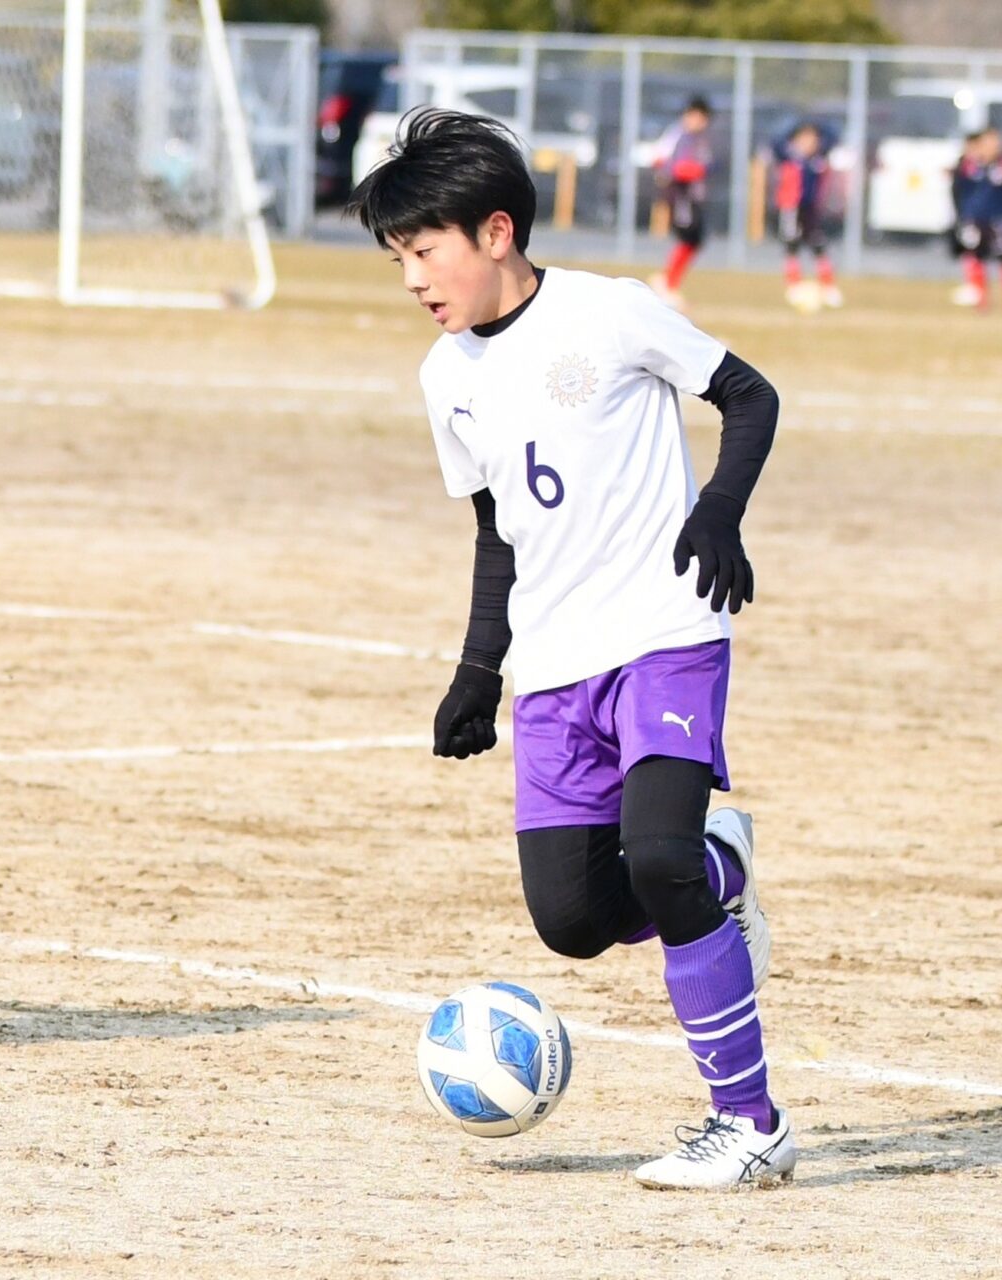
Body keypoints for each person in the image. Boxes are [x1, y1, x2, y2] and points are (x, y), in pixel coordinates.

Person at [351, 109, 789, 1190]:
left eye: (425, 250)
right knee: (574, 918)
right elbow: (497, 532)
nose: (413, 278)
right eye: (399, 258)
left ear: (497, 231)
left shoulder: (610, 312)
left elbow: (748, 394)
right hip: (552, 666)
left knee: (659, 860)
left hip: (665, 631)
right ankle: (724, 862)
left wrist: (719, 509)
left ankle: (749, 1123)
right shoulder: (445, 376)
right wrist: (476, 671)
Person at [649, 97, 712, 311]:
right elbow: (662, 162)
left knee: (695, 239)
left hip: (693, 196)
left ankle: (668, 281)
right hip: (681, 195)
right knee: (687, 237)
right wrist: (684, 171)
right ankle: (668, 283)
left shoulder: (699, 139)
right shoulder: (677, 136)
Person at [772, 121, 841, 311]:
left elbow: (834, 136)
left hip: (811, 210)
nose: (808, 142)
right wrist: (794, 126)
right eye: (803, 138)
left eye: (812, 139)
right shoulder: (789, 156)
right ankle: (793, 286)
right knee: (791, 245)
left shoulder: (818, 158)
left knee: (818, 245)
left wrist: (817, 126)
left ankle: (828, 287)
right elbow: (776, 141)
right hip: (791, 207)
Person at [949, 128, 1002, 310]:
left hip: (997, 220)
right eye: (989, 142)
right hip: (973, 219)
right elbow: (957, 189)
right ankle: (979, 301)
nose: (994, 146)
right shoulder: (968, 166)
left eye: (996, 143)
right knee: (974, 257)